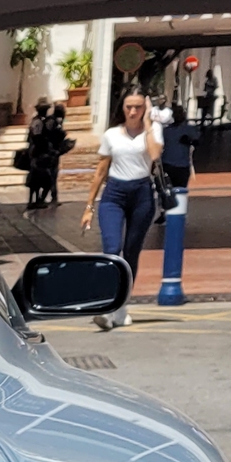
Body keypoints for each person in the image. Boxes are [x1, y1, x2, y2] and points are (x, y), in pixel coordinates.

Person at [80, 90, 162, 327]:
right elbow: (100, 172)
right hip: (114, 194)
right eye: (129, 107)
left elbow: (155, 155)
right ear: (122, 108)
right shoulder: (111, 135)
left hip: (142, 194)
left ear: (144, 108)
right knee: (112, 249)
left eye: (138, 107)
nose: (133, 112)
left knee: (132, 251)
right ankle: (108, 307)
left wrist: (147, 125)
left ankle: (121, 307)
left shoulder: (153, 132)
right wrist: (89, 207)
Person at [23, 101, 70, 210]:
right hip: (39, 153)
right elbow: (38, 137)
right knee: (44, 179)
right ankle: (37, 201)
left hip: (39, 153)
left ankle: (36, 201)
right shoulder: (39, 122)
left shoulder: (42, 121)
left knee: (37, 179)